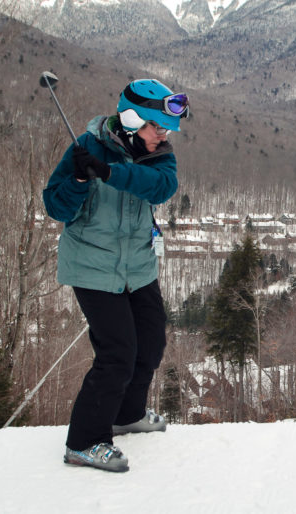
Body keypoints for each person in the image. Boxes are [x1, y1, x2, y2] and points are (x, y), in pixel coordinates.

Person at [43, 79, 189, 472]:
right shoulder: (85, 149)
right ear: (129, 121)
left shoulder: (159, 157)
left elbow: (160, 188)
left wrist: (108, 173)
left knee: (151, 342)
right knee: (118, 353)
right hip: (92, 268)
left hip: (137, 267)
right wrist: (77, 179)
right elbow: (56, 207)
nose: (163, 135)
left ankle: (126, 415)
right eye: (155, 126)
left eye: (166, 127)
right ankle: (85, 441)